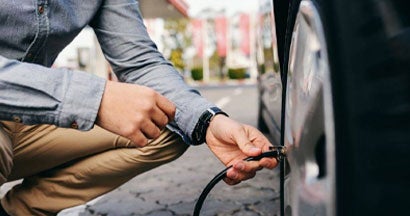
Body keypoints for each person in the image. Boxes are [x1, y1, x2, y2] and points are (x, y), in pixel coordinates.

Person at [0, 1, 278, 215]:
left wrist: (210, 122)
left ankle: (20, 211)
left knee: (166, 121)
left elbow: (140, 61)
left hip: (28, 121)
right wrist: (94, 100)